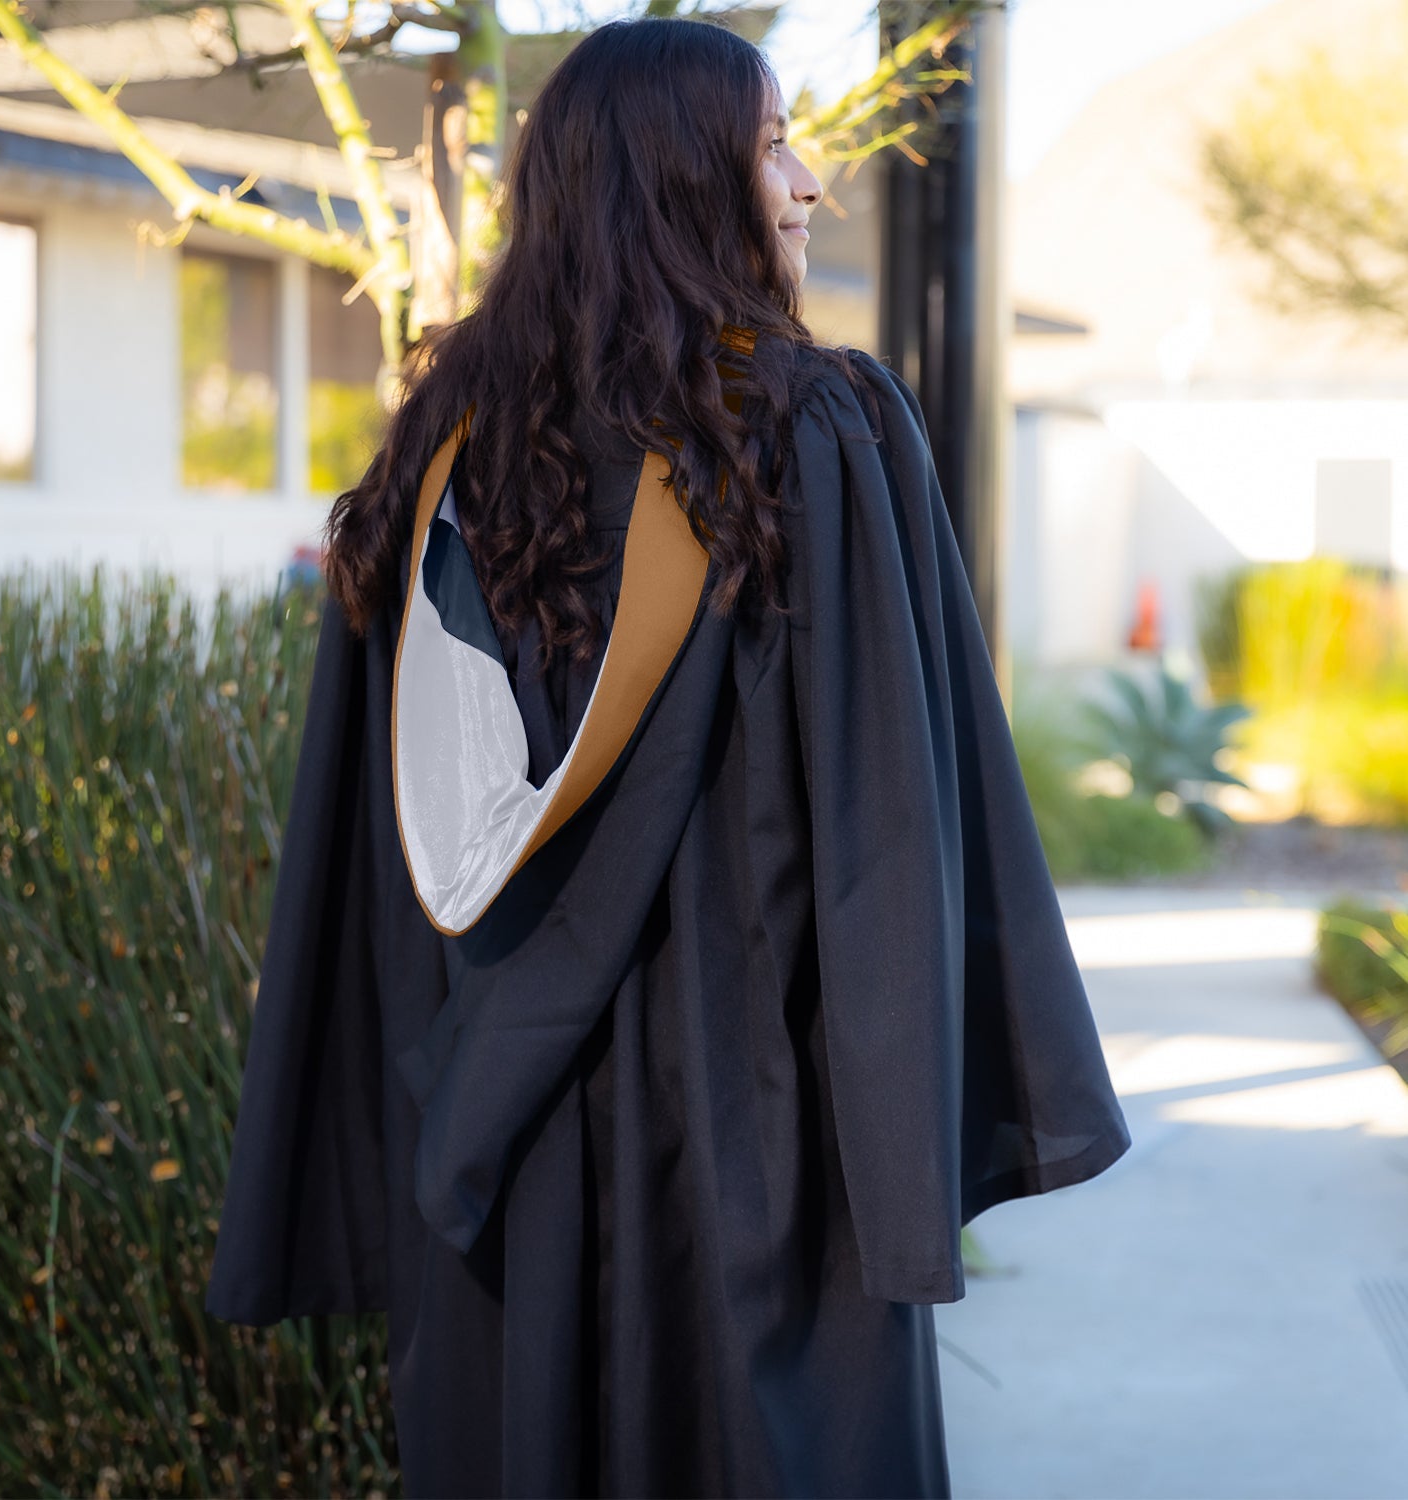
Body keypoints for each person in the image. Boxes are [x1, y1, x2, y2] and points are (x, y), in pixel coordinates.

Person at [204, 16, 1132, 1500]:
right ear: (680, 179)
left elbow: (379, 877)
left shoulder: (437, 459)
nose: (810, 182)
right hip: (752, 1155)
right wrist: (901, 1177)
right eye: (772, 143)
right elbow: (893, 831)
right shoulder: (813, 430)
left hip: (494, 1153)